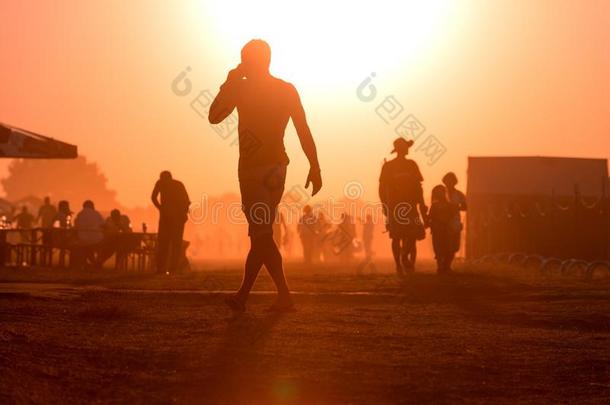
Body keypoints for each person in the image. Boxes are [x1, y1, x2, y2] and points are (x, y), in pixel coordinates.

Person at [209, 39, 322, 312]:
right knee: (262, 234)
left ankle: (271, 296)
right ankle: (253, 296)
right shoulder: (286, 89)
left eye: (245, 60)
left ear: (251, 61)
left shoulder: (240, 88)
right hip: (277, 168)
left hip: (252, 169)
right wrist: (314, 165)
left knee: (260, 235)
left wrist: (229, 82)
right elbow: (303, 129)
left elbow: (214, 116)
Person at [379, 138, 427, 275]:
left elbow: (419, 187)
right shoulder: (388, 167)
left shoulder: (412, 165)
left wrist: (421, 204)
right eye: (405, 147)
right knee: (396, 236)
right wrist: (385, 205)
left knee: (412, 235)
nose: (407, 149)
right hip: (395, 207)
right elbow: (382, 188)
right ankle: (399, 265)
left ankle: (406, 258)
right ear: (400, 149)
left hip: (411, 206)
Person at [151, 171, 190, 274]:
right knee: (167, 244)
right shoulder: (163, 183)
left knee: (172, 244)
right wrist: (160, 208)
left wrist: (161, 208)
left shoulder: (173, 184)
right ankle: (165, 268)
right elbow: (153, 197)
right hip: (170, 218)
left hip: (175, 218)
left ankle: (170, 268)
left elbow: (186, 201)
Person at [427, 185, 460, 273]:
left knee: (448, 248)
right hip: (437, 231)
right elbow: (430, 217)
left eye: (442, 192)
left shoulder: (449, 205)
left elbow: (452, 215)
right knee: (439, 249)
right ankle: (440, 266)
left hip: (447, 230)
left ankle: (446, 266)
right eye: (439, 192)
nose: (440, 194)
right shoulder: (434, 206)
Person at [442, 172, 467, 258]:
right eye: (447, 181)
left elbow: (465, 207)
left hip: (454, 222)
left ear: (454, 182)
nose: (449, 183)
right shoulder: (440, 193)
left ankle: (448, 265)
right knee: (443, 244)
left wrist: (455, 208)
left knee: (454, 245)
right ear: (444, 182)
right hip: (442, 222)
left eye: (451, 181)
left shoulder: (459, 194)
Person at [73, 200, 105, 268]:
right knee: (101, 244)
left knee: (85, 245)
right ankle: (96, 263)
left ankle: (91, 263)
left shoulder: (80, 214)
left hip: (83, 240)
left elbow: (76, 226)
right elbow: (103, 224)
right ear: (92, 206)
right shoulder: (96, 213)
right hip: (97, 240)